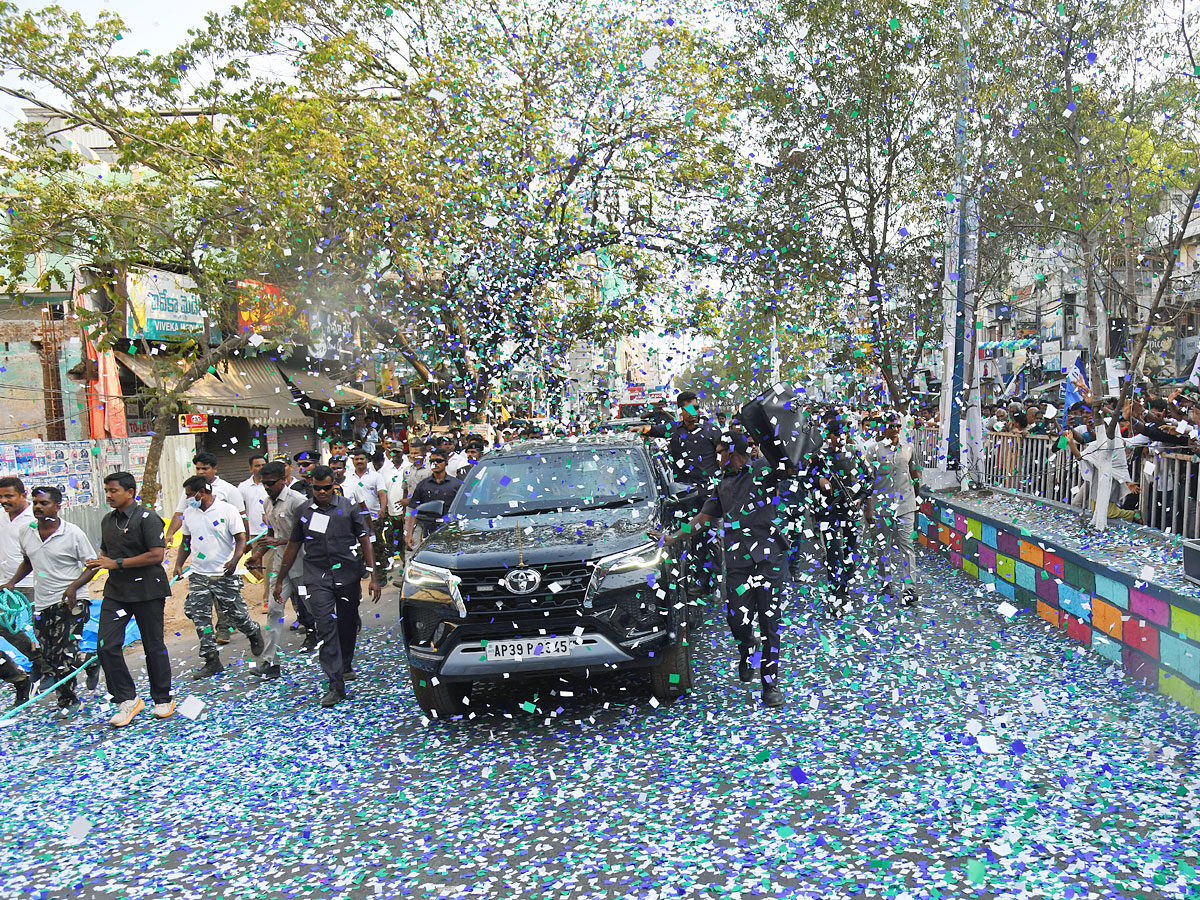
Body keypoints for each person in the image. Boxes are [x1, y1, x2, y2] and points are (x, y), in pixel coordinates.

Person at [663, 433, 790, 708]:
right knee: (738, 621)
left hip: (769, 560)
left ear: (734, 452)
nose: (717, 459)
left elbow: (787, 464)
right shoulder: (722, 485)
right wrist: (672, 537)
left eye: (721, 453)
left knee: (770, 624)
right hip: (738, 565)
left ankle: (770, 684)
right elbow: (703, 519)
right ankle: (747, 649)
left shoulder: (763, 469)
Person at [275, 466, 381, 707]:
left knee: (347, 622)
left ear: (334, 485)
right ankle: (335, 684)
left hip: (348, 576)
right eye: (316, 488)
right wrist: (280, 579)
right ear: (311, 486)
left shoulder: (348, 508)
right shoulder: (304, 511)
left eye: (326, 488)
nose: (321, 492)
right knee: (325, 625)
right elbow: (293, 545)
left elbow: (364, 540)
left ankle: (344, 663)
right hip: (317, 577)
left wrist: (373, 575)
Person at [2, 486, 96, 716]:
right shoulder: (27, 531)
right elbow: (29, 560)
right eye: (36, 503)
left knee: (63, 654)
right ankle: (89, 660)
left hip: (72, 601)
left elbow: (93, 565)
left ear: (57, 506)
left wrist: (74, 586)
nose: (38, 507)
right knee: (49, 655)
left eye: (44, 503)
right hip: (43, 601)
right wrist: (12, 582)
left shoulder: (73, 533)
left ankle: (69, 700)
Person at [91, 472, 175, 727]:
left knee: (153, 645)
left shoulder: (148, 519)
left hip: (148, 590)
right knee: (106, 645)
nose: (108, 495)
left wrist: (116, 563)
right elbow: (106, 552)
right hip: (116, 592)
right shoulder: (107, 521)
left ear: (130, 492)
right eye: (106, 490)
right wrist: (99, 562)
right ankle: (127, 699)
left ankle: (162, 697)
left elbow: (156, 556)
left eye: (113, 490)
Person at [172, 475, 265, 680]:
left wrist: (235, 559)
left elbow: (241, 538)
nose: (188, 499)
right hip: (199, 574)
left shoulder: (227, 510)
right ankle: (211, 660)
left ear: (201, 493)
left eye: (189, 495)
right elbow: (186, 542)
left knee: (237, 615)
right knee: (200, 617)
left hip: (224, 573)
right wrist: (179, 564)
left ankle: (252, 631)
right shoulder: (190, 513)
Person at [248, 462, 311, 677]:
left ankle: (337, 652)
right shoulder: (267, 502)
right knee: (275, 611)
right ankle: (270, 662)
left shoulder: (298, 502)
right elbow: (270, 532)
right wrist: (257, 554)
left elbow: (309, 535)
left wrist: (281, 541)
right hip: (280, 568)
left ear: (283, 480)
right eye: (264, 484)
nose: (267, 487)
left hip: (303, 566)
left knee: (314, 610)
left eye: (271, 483)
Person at [809, 411, 869, 617]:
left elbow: (869, 479)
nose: (841, 438)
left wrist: (860, 497)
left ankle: (845, 586)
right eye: (837, 434)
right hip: (828, 513)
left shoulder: (856, 454)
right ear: (830, 436)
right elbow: (806, 478)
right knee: (835, 555)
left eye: (844, 434)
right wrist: (819, 481)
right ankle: (837, 596)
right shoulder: (820, 457)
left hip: (851, 511)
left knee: (850, 554)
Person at [864, 414, 921, 607]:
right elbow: (868, 482)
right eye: (891, 426)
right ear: (883, 429)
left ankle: (909, 588)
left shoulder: (908, 449)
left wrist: (917, 499)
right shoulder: (873, 451)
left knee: (907, 546)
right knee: (883, 547)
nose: (895, 429)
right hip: (882, 508)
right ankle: (885, 582)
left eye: (898, 426)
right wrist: (869, 509)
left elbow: (915, 475)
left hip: (906, 505)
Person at [0, 476, 39, 706]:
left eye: (9, 496)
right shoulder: (1, 517)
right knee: (8, 631)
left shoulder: (34, 519)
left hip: (31, 584)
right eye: (1, 497)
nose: (4, 501)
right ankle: (19, 678)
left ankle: (55, 676)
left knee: (38, 633)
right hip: (4, 586)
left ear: (23, 495)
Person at [405, 450, 463, 550]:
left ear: (446, 462)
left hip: (452, 532)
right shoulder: (423, 485)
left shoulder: (456, 484)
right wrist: (409, 535)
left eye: (439, 461)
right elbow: (414, 510)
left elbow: (463, 509)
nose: (435, 463)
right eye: (432, 461)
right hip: (429, 533)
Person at [345, 447, 389, 578]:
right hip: (353, 519)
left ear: (367, 460)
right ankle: (363, 570)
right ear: (353, 461)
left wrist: (382, 508)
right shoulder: (348, 477)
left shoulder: (376, 476)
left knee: (376, 547)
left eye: (361, 459)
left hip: (373, 518)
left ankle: (380, 575)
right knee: (357, 548)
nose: (359, 461)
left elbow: (382, 493)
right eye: (356, 459)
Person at [237, 454, 269, 537]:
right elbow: (240, 509)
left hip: (273, 531)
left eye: (263, 465)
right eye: (257, 466)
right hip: (254, 532)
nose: (261, 468)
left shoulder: (273, 484)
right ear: (251, 469)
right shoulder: (243, 487)